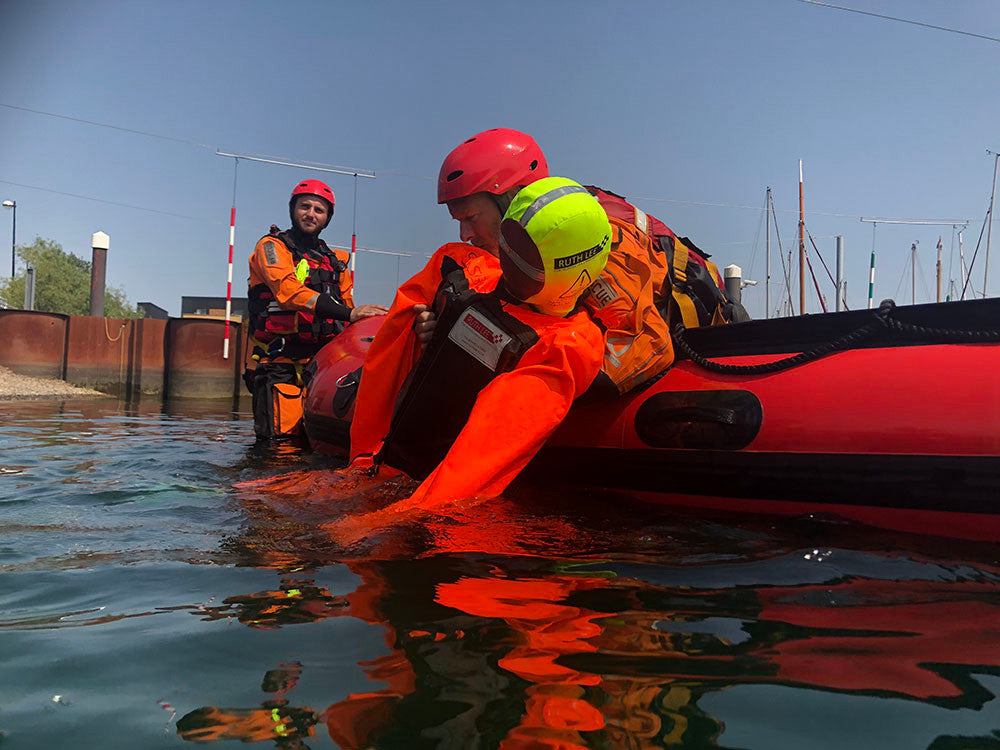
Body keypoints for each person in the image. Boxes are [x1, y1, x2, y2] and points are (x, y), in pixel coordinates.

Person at [348, 176, 610, 510]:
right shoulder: (469, 268)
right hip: (383, 465)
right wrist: (430, 323)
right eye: (510, 245)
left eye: (523, 253)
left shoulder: (568, 344)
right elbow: (399, 333)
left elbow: (483, 454)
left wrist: (384, 520)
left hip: (422, 500)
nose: (510, 258)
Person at [419, 127, 677, 398]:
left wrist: (530, 383)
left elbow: (648, 345)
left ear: (513, 197)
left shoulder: (590, 241)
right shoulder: (520, 258)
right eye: (459, 222)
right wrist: (444, 330)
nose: (465, 236)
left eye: (471, 218)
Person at [245, 179, 387, 441]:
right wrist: (349, 315)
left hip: (322, 368)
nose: (311, 214)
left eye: (319, 210)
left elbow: (348, 310)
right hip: (281, 365)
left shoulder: (337, 262)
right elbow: (286, 292)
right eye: (305, 206)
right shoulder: (271, 247)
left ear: (327, 218)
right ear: (293, 209)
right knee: (280, 449)